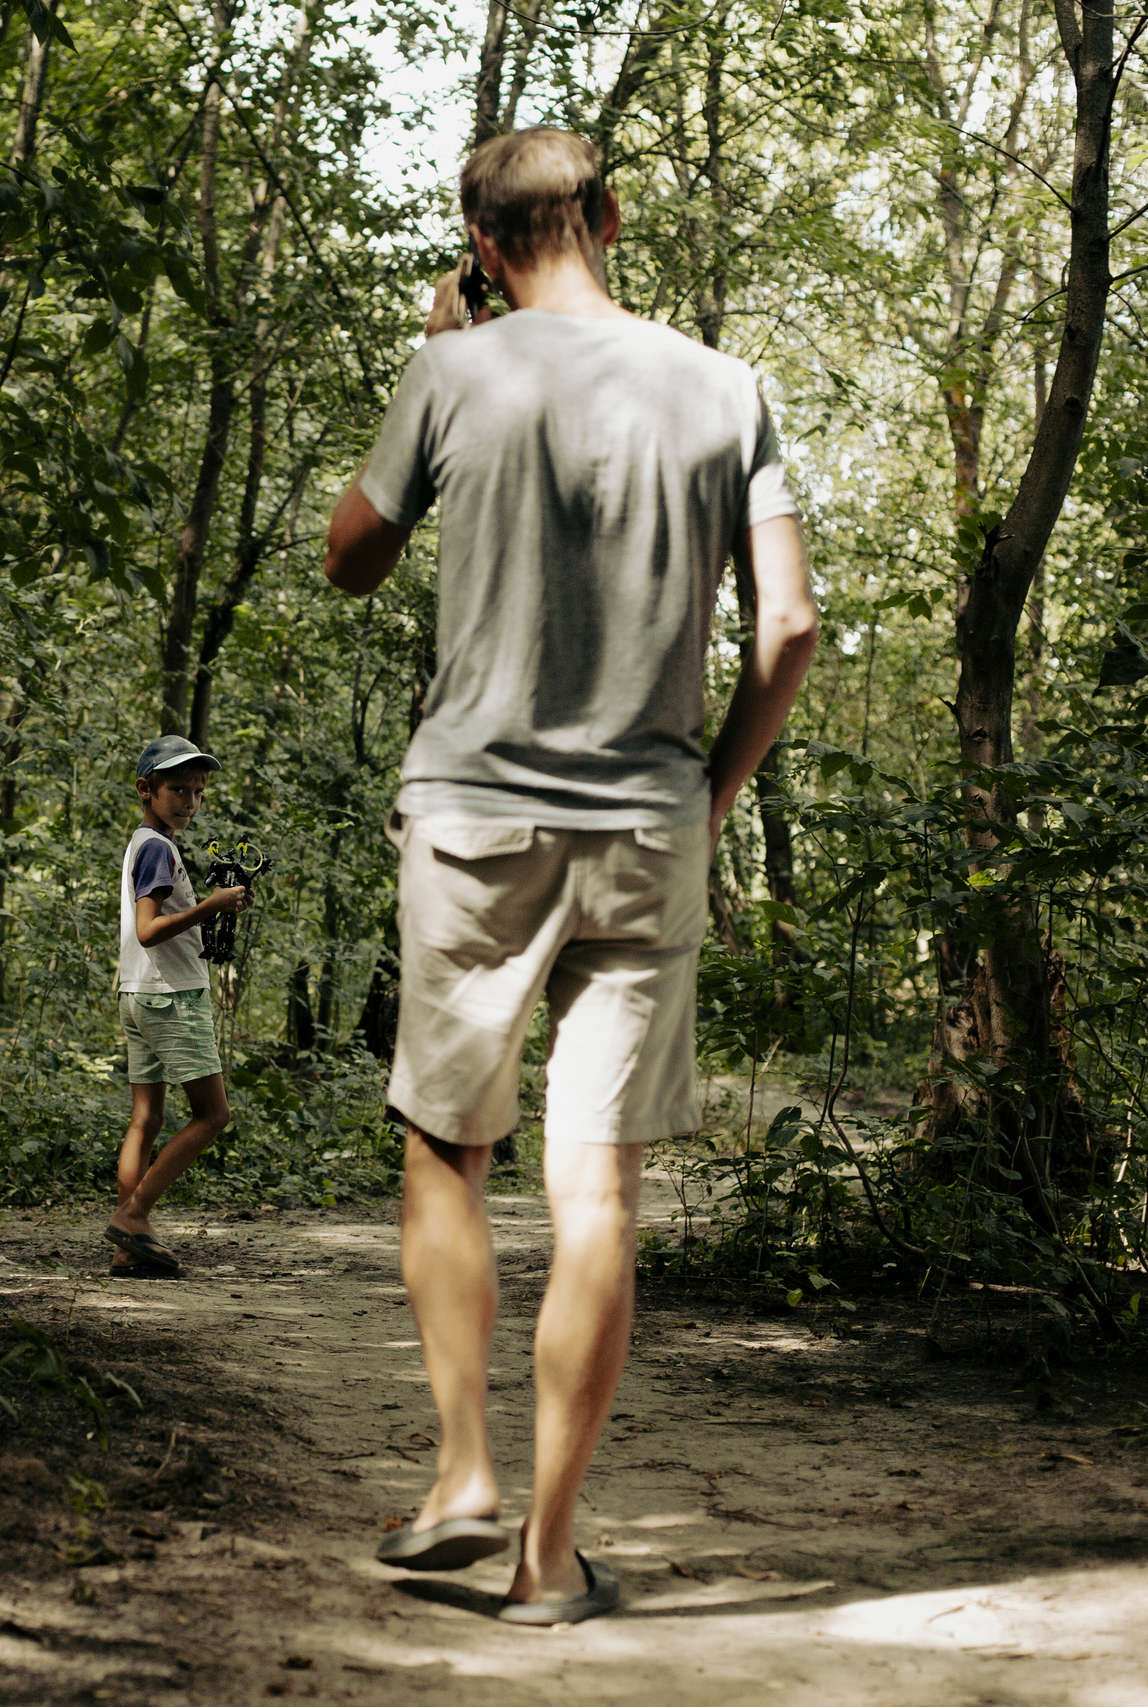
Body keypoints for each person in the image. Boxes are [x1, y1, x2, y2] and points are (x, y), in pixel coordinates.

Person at [321, 127, 817, 1624]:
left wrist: (435, 366)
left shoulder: (452, 371)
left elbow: (349, 556)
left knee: (443, 1142)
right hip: (650, 823)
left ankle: (462, 1465)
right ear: (605, 216)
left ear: (480, 247)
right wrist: (711, 794)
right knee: (596, 1190)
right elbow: (786, 625)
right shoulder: (726, 388)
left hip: (473, 818)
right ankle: (547, 1555)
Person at [105, 735, 251, 1276]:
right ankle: (134, 1216)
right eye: (177, 790)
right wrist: (210, 905)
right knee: (213, 1115)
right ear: (146, 790)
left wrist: (215, 906)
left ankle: (127, 1246)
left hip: (138, 993)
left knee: (147, 1115)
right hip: (170, 996)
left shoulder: (146, 842)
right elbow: (148, 930)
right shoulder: (157, 848)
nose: (189, 802)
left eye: (197, 792)